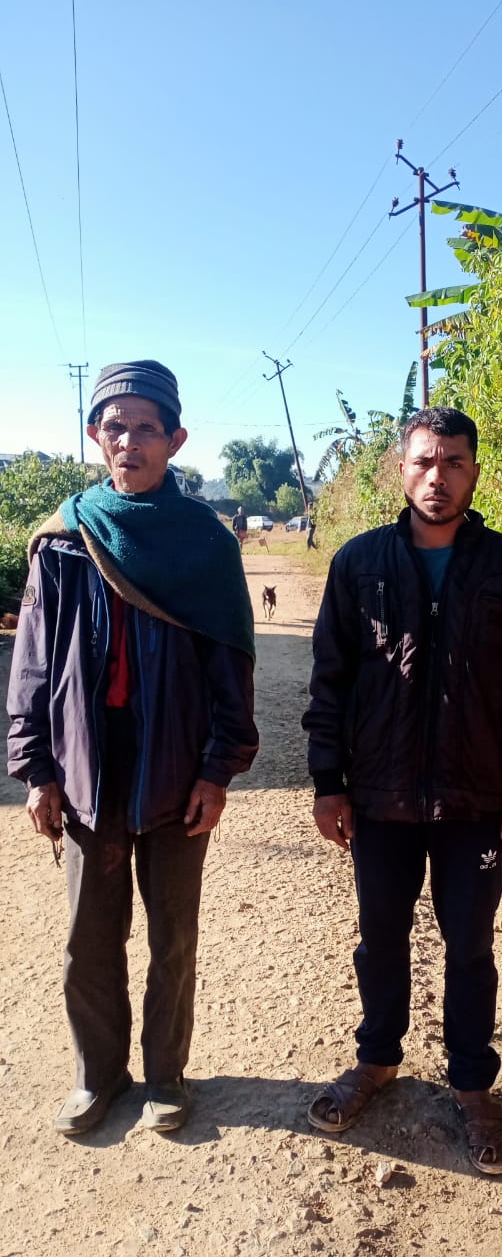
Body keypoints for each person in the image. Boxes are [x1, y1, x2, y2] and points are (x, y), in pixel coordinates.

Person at [302, 405, 502, 1174]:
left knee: (470, 946)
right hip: (379, 797)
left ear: (474, 472)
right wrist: (328, 782)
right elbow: (330, 682)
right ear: (401, 470)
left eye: (452, 462)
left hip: (474, 800)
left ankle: (473, 1085)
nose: (436, 476)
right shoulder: (359, 564)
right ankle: (377, 1060)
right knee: (379, 936)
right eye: (423, 461)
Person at [7, 360, 259, 1137]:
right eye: (115, 426)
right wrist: (36, 770)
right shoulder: (65, 540)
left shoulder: (204, 545)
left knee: (171, 936)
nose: (130, 441)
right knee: (89, 938)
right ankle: (98, 1074)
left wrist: (218, 770)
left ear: (175, 440)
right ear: (95, 434)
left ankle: (166, 1076)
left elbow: (231, 665)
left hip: (176, 766)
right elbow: (33, 667)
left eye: (147, 428)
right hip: (87, 767)